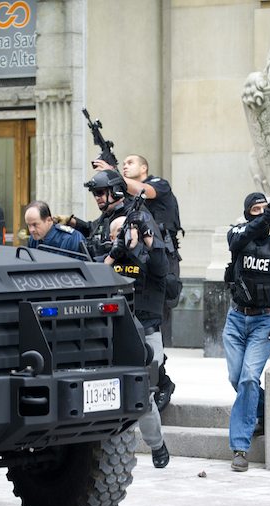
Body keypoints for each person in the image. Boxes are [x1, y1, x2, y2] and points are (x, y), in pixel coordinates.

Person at [93, 155, 182, 409]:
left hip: (159, 260)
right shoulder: (129, 204)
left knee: (152, 325)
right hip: (137, 259)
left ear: (144, 167)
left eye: (131, 162)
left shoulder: (158, 185)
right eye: (123, 164)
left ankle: (160, 381)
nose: (125, 165)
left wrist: (112, 173)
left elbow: (144, 190)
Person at [223, 193, 270, 472]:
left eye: (265, 209)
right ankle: (264, 410)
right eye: (256, 210)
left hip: (265, 321)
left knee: (249, 378)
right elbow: (236, 239)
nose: (261, 213)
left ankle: (240, 448)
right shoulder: (239, 233)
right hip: (236, 320)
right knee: (237, 377)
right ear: (247, 214)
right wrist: (262, 221)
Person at [101, 214, 171, 468]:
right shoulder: (107, 258)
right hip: (112, 333)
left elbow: (163, 269)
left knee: (143, 395)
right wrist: (113, 253)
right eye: (117, 232)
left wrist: (149, 241)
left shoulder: (150, 256)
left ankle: (156, 444)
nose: (124, 235)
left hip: (147, 334)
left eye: (127, 230)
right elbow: (92, 276)